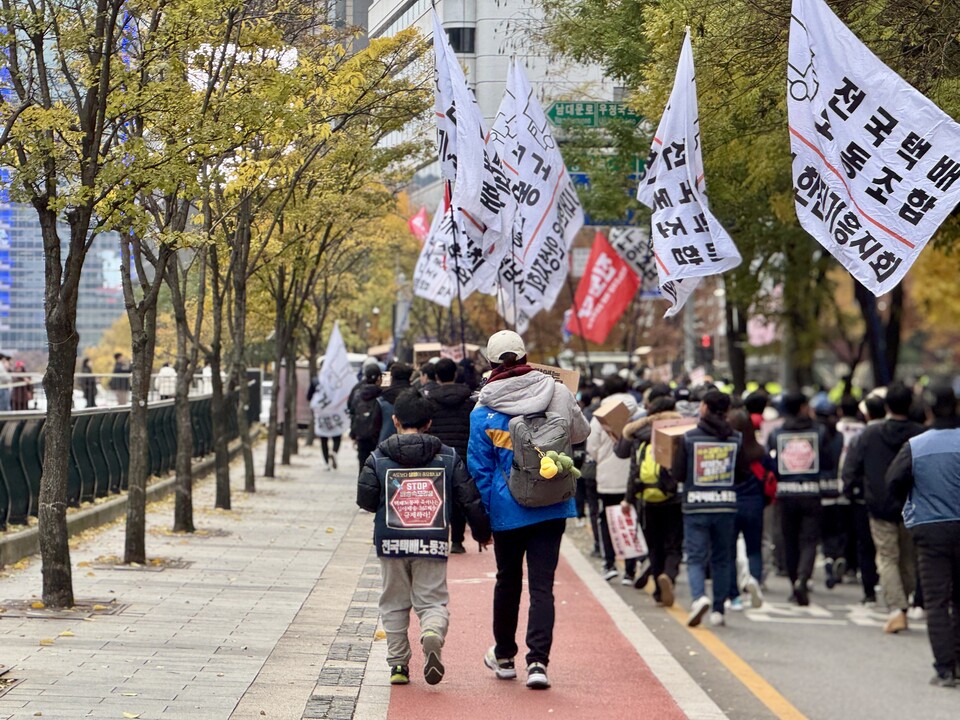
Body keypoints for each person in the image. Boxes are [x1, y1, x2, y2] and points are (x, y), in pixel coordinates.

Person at [468, 330, 589, 690]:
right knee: (542, 586)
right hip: (552, 502)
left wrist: (486, 517)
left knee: (507, 581)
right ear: (525, 358)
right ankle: (538, 663)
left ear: (491, 364)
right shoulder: (558, 392)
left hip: (507, 508)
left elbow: (481, 469)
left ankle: (504, 655)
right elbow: (579, 433)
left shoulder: (483, 409)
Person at [357, 390, 491, 686]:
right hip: (432, 539)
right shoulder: (447, 456)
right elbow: (468, 498)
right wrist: (482, 533)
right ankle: (431, 631)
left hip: (390, 540)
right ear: (429, 423)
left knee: (392, 602)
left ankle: (398, 666)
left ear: (395, 420)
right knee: (432, 601)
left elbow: (366, 500)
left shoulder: (378, 457)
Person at [886, 385, 960, 687]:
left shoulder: (917, 445)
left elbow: (893, 481)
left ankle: (945, 669)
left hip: (930, 529)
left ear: (928, 410)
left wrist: (912, 500)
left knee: (936, 601)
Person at [843, 382, 925, 633]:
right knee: (908, 557)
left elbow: (851, 467)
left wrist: (854, 489)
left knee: (887, 557)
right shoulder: (921, 434)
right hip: (912, 504)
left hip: (879, 505)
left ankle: (896, 608)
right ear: (910, 404)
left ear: (886, 405)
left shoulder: (870, 434)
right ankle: (908, 599)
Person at [672, 389, 744, 628]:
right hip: (725, 505)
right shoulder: (736, 438)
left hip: (695, 505)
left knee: (695, 558)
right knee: (722, 559)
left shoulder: (689, 437)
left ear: (704, 408)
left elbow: (678, 473)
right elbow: (743, 473)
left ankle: (698, 598)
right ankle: (718, 610)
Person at [616, 384, 684, 605]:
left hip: (645, 496)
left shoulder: (640, 433)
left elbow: (634, 469)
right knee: (673, 544)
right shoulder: (680, 430)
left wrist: (628, 498)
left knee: (654, 545)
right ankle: (669, 576)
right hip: (673, 496)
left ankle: (657, 590)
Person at [767, 391, 828, 606]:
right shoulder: (819, 432)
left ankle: (795, 584)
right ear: (803, 407)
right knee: (809, 541)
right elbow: (828, 460)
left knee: (790, 541)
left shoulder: (776, 433)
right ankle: (804, 577)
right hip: (811, 491)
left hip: (785, 493)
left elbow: (771, 464)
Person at [587, 375, 640, 585]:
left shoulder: (600, 414)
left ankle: (609, 564)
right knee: (630, 520)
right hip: (631, 474)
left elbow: (592, 444)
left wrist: (603, 457)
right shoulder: (637, 411)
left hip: (607, 475)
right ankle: (630, 569)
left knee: (608, 519)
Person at [425, 358, 476, 554]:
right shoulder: (468, 400)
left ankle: (439, 538)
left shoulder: (429, 401)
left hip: (437, 455)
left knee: (438, 497)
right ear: (455, 374)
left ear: (436, 376)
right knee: (460, 498)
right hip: (463, 454)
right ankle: (457, 541)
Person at [727, 409, 768, 610]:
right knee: (754, 549)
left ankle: (733, 596)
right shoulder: (760, 453)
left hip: (730, 503)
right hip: (755, 504)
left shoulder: (727, 450)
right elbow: (771, 477)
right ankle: (754, 581)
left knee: (729, 551)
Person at [348, 364, 384, 468]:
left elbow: (352, 412)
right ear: (379, 378)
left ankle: (362, 484)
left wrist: (353, 434)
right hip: (377, 436)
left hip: (361, 436)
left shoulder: (358, 393)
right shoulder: (381, 395)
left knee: (363, 467)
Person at [378, 363, 414, 443]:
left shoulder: (382, 399)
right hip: (412, 442)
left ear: (392, 378)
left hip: (386, 443)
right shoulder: (417, 397)